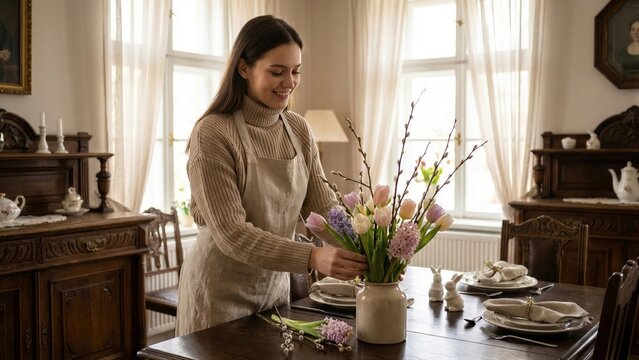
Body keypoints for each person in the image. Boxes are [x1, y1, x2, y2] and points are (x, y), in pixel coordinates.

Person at [176, 15, 368, 336]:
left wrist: (368, 252)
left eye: (295, 71)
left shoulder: (298, 128)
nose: (289, 82)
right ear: (244, 68)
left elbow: (324, 209)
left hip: (274, 291)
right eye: (277, 72)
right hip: (218, 293)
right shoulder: (213, 132)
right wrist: (313, 256)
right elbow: (232, 234)